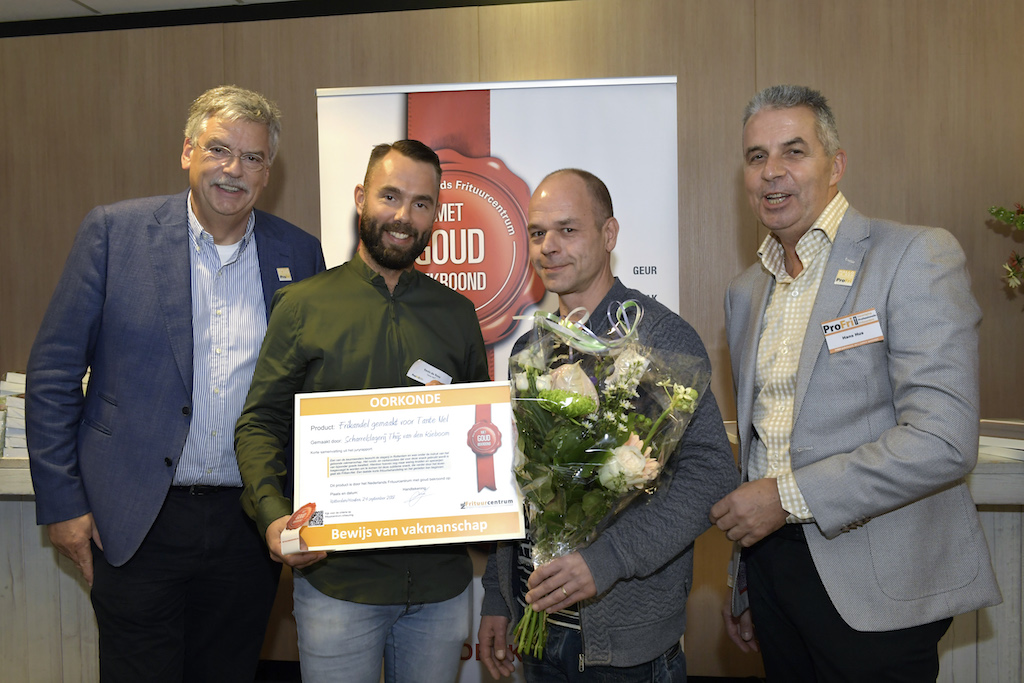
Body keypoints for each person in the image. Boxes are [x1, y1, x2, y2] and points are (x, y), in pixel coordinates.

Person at [25, 85, 326, 682]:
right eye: (219, 149)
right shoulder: (113, 235)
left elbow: (308, 394)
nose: (233, 170)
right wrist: (63, 504)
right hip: (136, 521)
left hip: (247, 522)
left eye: (253, 158)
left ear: (269, 171)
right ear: (187, 151)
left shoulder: (299, 252)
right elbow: (54, 373)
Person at [709, 84, 1001, 682]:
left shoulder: (912, 256)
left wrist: (787, 498)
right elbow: (763, 444)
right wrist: (745, 580)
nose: (772, 173)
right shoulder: (745, 291)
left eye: (794, 151)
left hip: (876, 583)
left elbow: (943, 439)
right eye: (756, 156)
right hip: (774, 573)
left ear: (835, 165)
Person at [234, 139, 490, 683]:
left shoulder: (458, 315)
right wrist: (272, 516)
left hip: (440, 587)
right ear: (360, 198)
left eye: (421, 203)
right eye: (390, 196)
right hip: (337, 585)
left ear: (436, 215)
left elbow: (478, 435)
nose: (403, 216)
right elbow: (260, 423)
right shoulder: (303, 306)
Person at [478, 168, 738, 682]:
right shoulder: (530, 352)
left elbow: (711, 475)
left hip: (622, 649)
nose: (549, 247)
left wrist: (608, 558)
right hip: (536, 628)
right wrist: (497, 594)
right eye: (537, 233)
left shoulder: (659, 340)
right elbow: (521, 489)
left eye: (568, 230)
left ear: (609, 235)